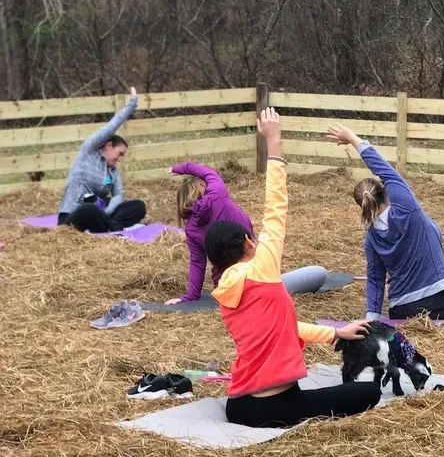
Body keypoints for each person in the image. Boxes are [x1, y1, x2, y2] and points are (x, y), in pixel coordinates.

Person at [205, 107, 377, 428]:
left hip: (238, 405)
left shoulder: (227, 290)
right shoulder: (261, 270)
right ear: (248, 242)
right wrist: (273, 142)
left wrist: (335, 333)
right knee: (369, 392)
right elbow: (275, 209)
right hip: (275, 406)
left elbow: (283, 330)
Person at [326, 123, 444, 321]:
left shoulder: (371, 236)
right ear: (387, 191)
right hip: (439, 300)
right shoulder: (406, 208)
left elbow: (375, 278)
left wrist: (373, 317)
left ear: (361, 206)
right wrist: (354, 139)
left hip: (401, 309)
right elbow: (385, 170)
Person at [166, 162, 330, 305]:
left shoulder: (191, 229)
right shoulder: (217, 192)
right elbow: (206, 172)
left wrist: (190, 296)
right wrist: (179, 168)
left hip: (227, 288)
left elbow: (198, 263)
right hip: (256, 278)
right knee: (318, 273)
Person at [58, 88, 147, 233]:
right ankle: (116, 227)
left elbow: (118, 194)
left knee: (138, 206)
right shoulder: (89, 151)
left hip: (101, 214)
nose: (120, 158)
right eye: (120, 153)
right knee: (88, 209)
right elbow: (110, 127)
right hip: (74, 216)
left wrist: (108, 211)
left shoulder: (112, 171)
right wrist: (131, 106)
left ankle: (109, 226)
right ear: (109, 145)